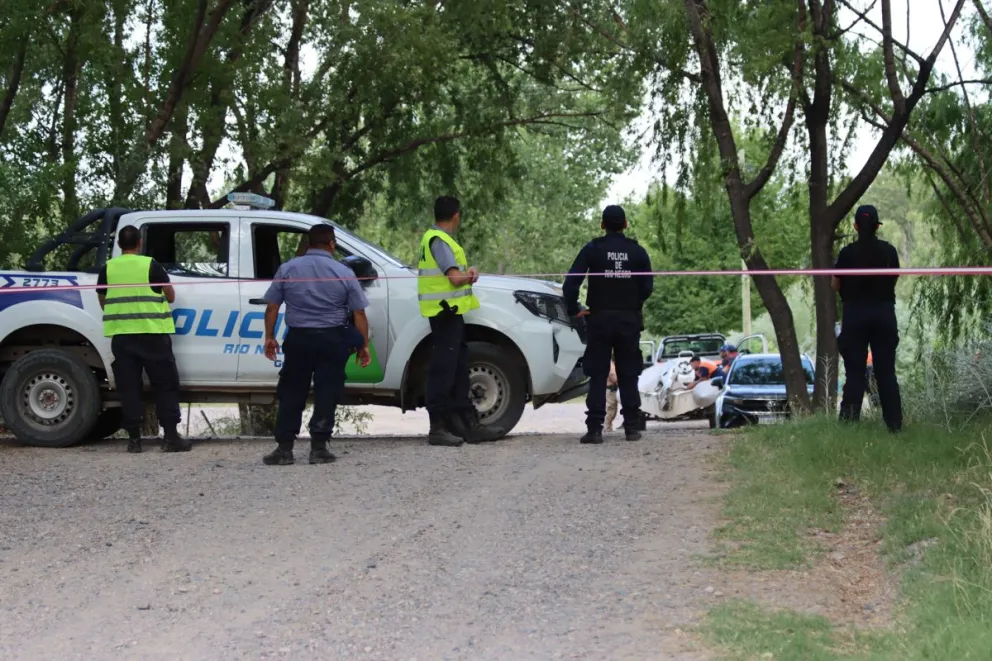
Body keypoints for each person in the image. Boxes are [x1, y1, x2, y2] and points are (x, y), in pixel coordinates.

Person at [261, 223, 371, 466]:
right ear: (332, 244)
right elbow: (359, 315)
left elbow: (272, 307)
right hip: (332, 340)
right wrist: (363, 345)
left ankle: (284, 449)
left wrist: (269, 337)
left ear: (308, 244)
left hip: (299, 339)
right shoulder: (343, 271)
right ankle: (319, 449)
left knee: (291, 391)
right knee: (327, 391)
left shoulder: (288, 268)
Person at [564, 204, 654, 444]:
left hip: (599, 319)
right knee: (628, 373)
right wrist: (632, 303)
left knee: (597, 373)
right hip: (628, 320)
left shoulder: (593, 249)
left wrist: (576, 309)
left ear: (602, 225)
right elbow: (647, 287)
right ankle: (632, 428)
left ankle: (594, 430)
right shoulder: (637, 252)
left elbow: (570, 283)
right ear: (625, 224)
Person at [418, 196, 503, 446]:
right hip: (444, 312)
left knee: (457, 369)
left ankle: (466, 425)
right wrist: (471, 274)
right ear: (456, 215)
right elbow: (454, 278)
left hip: (449, 313)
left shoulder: (436, 239)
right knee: (443, 370)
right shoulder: (440, 241)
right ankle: (438, 428)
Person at [97, 225, 189, 453]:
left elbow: (102, 300)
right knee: (165, 384)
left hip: (122, 336)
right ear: (139, 243)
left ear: (119, 245)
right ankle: (170, 438)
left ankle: (134, 441)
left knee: (129, 387)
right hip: (152, 334)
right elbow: (170, 295)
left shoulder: (108, 268)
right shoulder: (150, 265)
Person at [833, 204, 902, 433]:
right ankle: (894, 426)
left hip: (854, 315)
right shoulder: (889, 251)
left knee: (854, 372)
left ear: (855, 226)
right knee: (886, 372)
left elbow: (835, 284)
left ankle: (849, 424)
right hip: (883, 314)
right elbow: (894, 279)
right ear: (876, 226)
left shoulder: (845, 254)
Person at [605, 359, 619, 432]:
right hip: (610, 389)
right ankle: (607, 427)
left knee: (611, 409)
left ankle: (608, 427)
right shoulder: (610, 364)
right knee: (610, 409)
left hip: (610, 389)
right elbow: (613, 375)